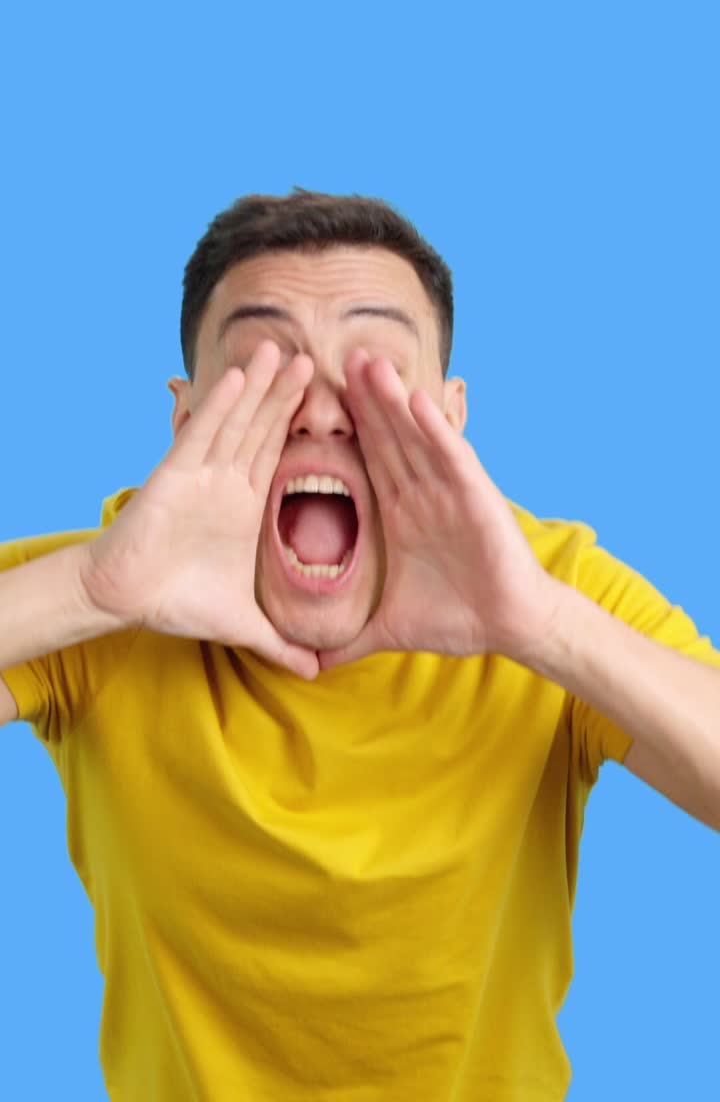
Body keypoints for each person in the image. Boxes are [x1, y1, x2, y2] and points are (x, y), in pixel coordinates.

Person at [1, 188, 718, 1101]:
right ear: (185, 422)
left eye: (374, 370)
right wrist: (95, 589)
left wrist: (540, 627)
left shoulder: (547, 591)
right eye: (266, 371)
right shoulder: (98, 599)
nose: (324, 412)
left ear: (452, 418)